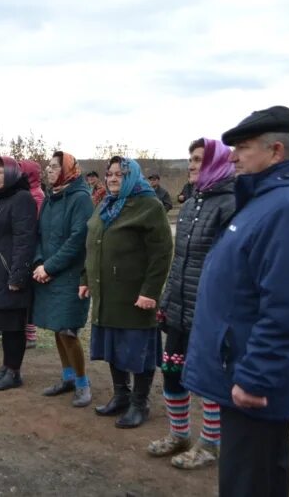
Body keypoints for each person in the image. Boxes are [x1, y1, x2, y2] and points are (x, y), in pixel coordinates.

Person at [183, 105, 289, 497]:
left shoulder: (286, 209)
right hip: (239, 371)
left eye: (243, 147)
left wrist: (256, 377)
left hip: (254, 384)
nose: (232, 156)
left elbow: (287, 305)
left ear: (276, 152)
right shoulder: (260, 202)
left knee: (252, 481)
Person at [147, 138, 235, 469]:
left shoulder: (230, 204)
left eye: (199, 159)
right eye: (190, 159)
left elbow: (228, 267)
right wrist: (167, 301)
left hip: (210, 312)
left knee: (209, 380)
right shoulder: (192, 202)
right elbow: (180, 260)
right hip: (180, 307)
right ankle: (179, 434)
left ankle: (210, 445)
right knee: (172, 371)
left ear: (216, 163)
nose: (192, 165)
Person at [82, 157, 172, 429]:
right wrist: (86, 278)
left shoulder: (149, 206)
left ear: (131, 177)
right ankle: (121, 395)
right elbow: (93, 245)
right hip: (107, 294)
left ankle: (139, 403)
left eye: (119, 175)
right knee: (113, 347)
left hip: (135, 297)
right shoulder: (105, 205)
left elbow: (162, 253)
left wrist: (150, 292)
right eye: (109, 174)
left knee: (138, 351)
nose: (112, 178)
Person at [33, 152, 95, 407]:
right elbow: (39, 234)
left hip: (70, 275)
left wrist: (49, 267)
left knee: (68, 329)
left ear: (67, 169)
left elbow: (78, 239)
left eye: (54, 166)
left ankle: (82, 382)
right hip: (48, 274)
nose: (49, 170)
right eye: (48, 166)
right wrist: (39, 262)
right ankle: (67, 377)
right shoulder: (51, 199)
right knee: (58, 329)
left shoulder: (81, 199)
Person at [0, 156, 38, 391]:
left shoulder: (21, 199)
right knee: (4, 325)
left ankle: (14, 372)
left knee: (14, 326)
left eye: (0, 172)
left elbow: (25, 241)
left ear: (13, 174)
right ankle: (6, 366)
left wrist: (17, 276)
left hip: (11, 275)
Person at [19, 160, 45, 349]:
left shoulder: (36, 195)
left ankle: (30, 333)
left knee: (29, 292)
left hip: (31, 247)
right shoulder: (27, 193)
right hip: (25, 245)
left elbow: (34, 223)